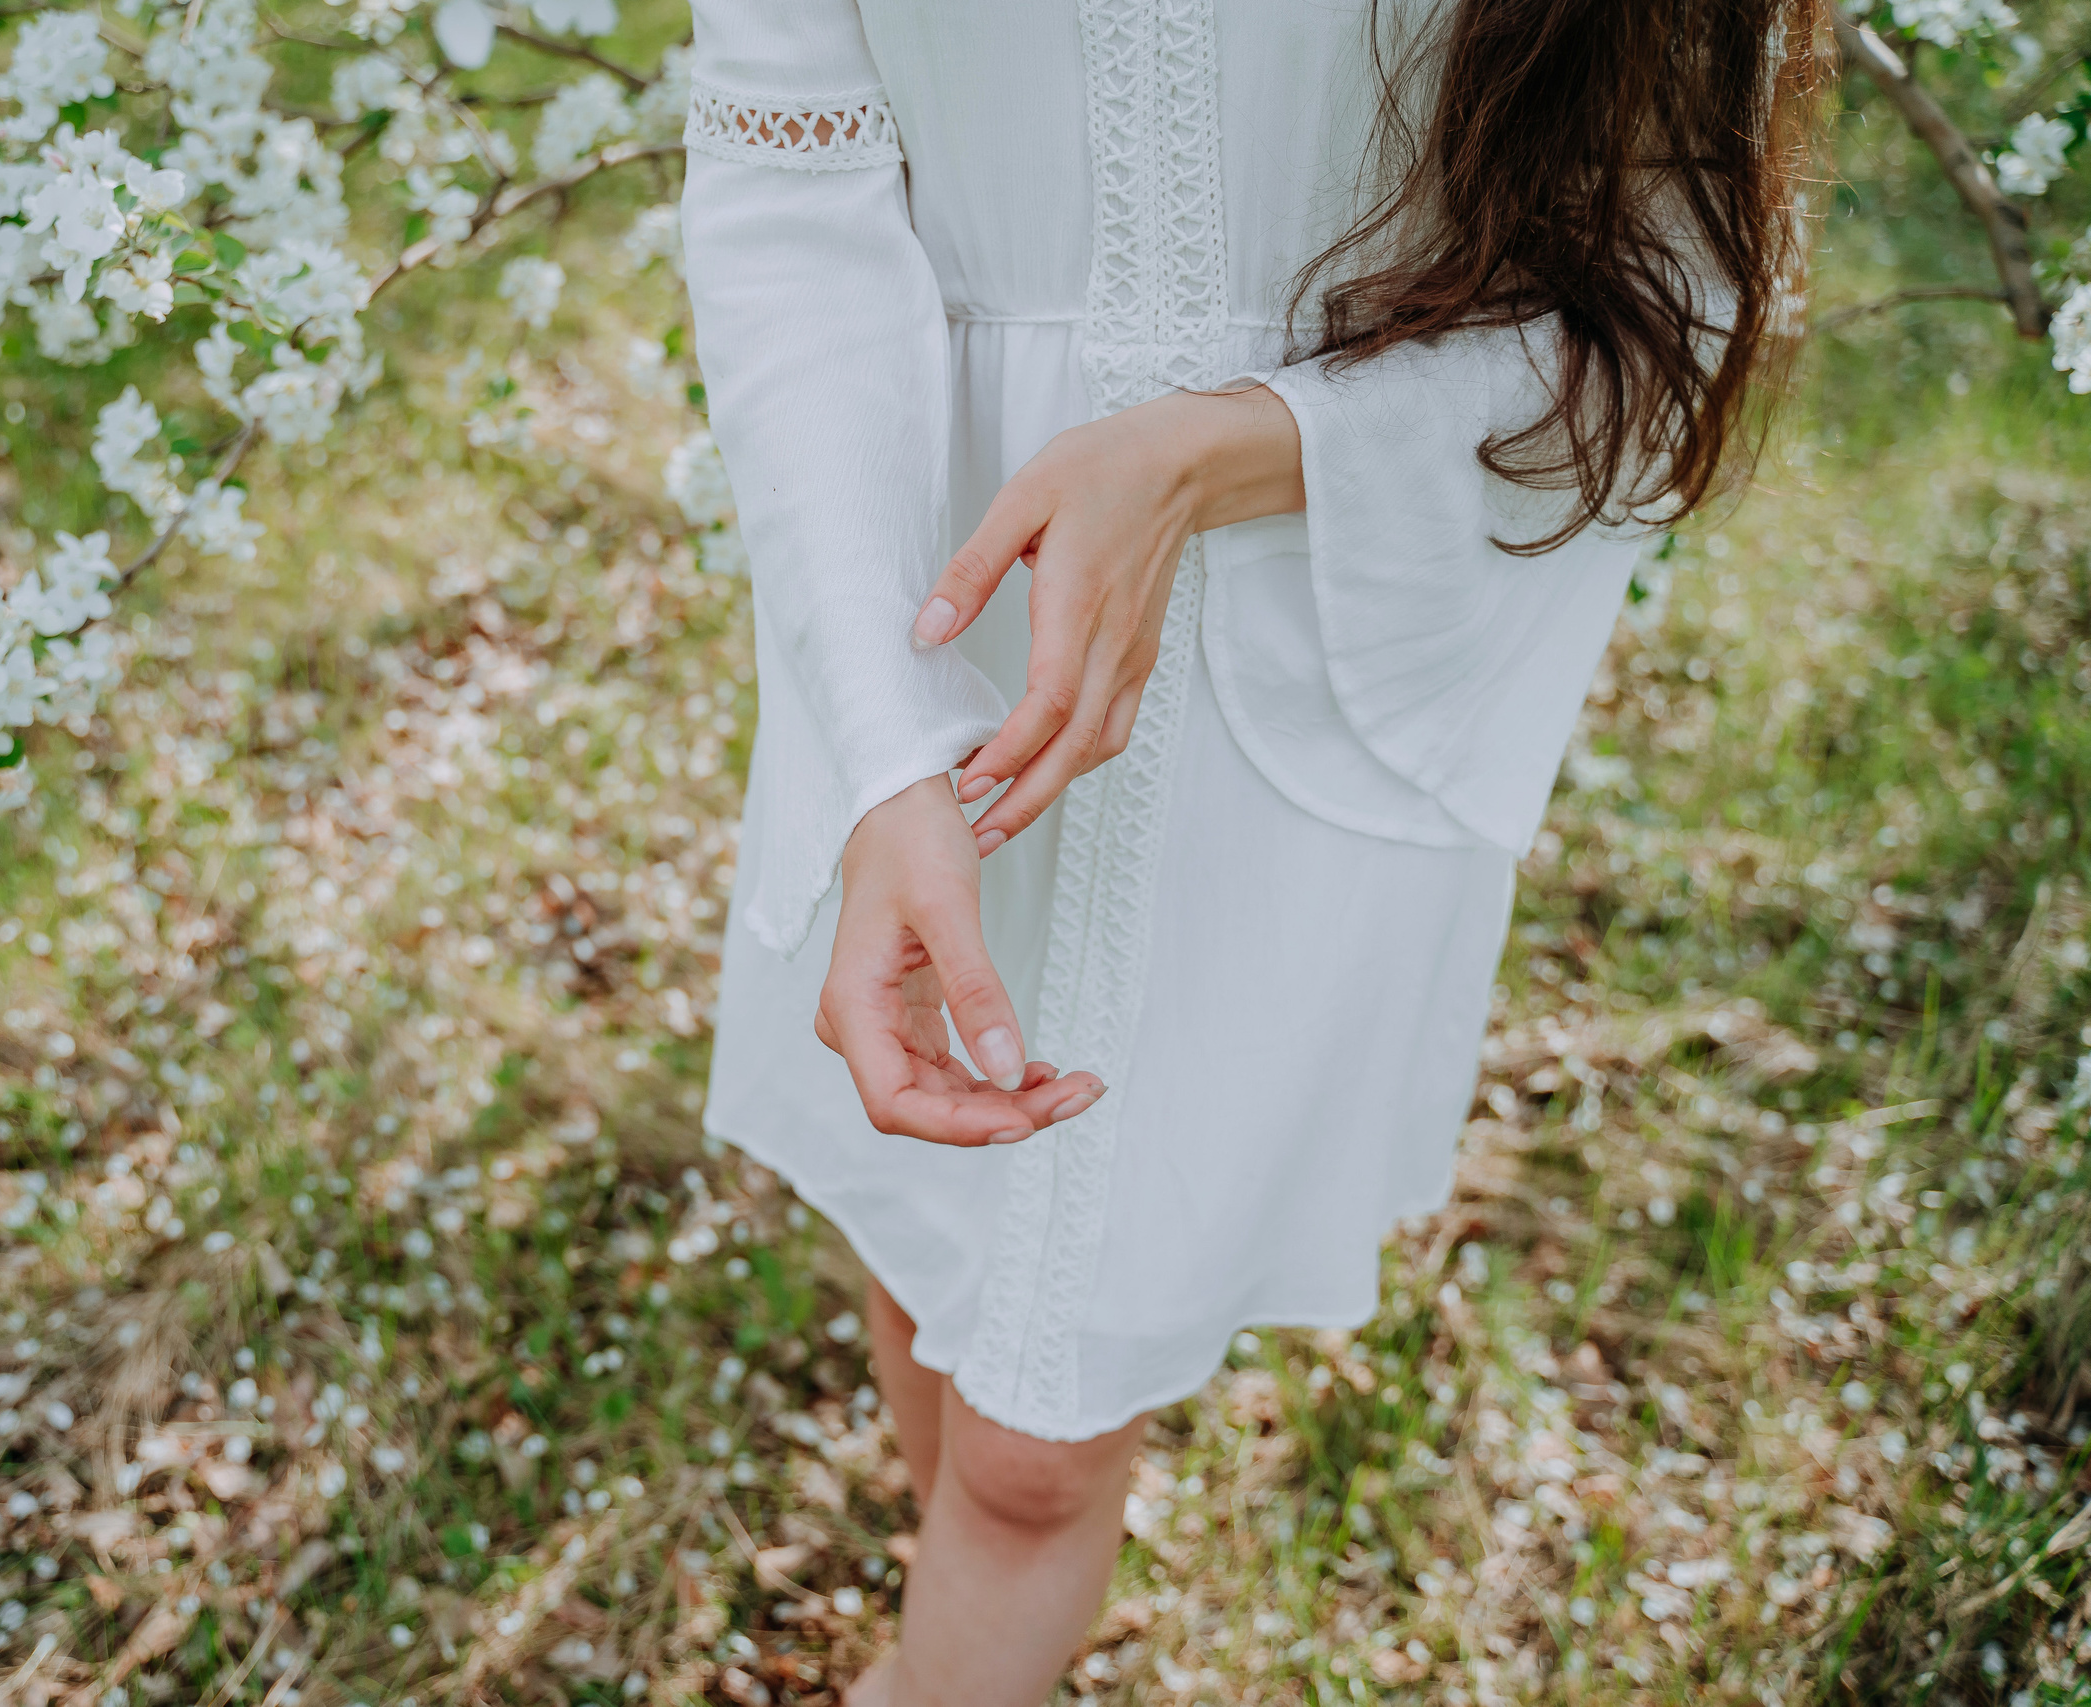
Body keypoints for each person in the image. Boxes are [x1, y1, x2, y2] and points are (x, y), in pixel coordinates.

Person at [680, 1, 1816, 1699]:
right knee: (925, 1242)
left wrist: (1221, 450)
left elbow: (1667, 312)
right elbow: (791, 206)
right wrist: (883, 741)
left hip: (1322, 612)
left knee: (1035, 1457)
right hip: (917, 583)